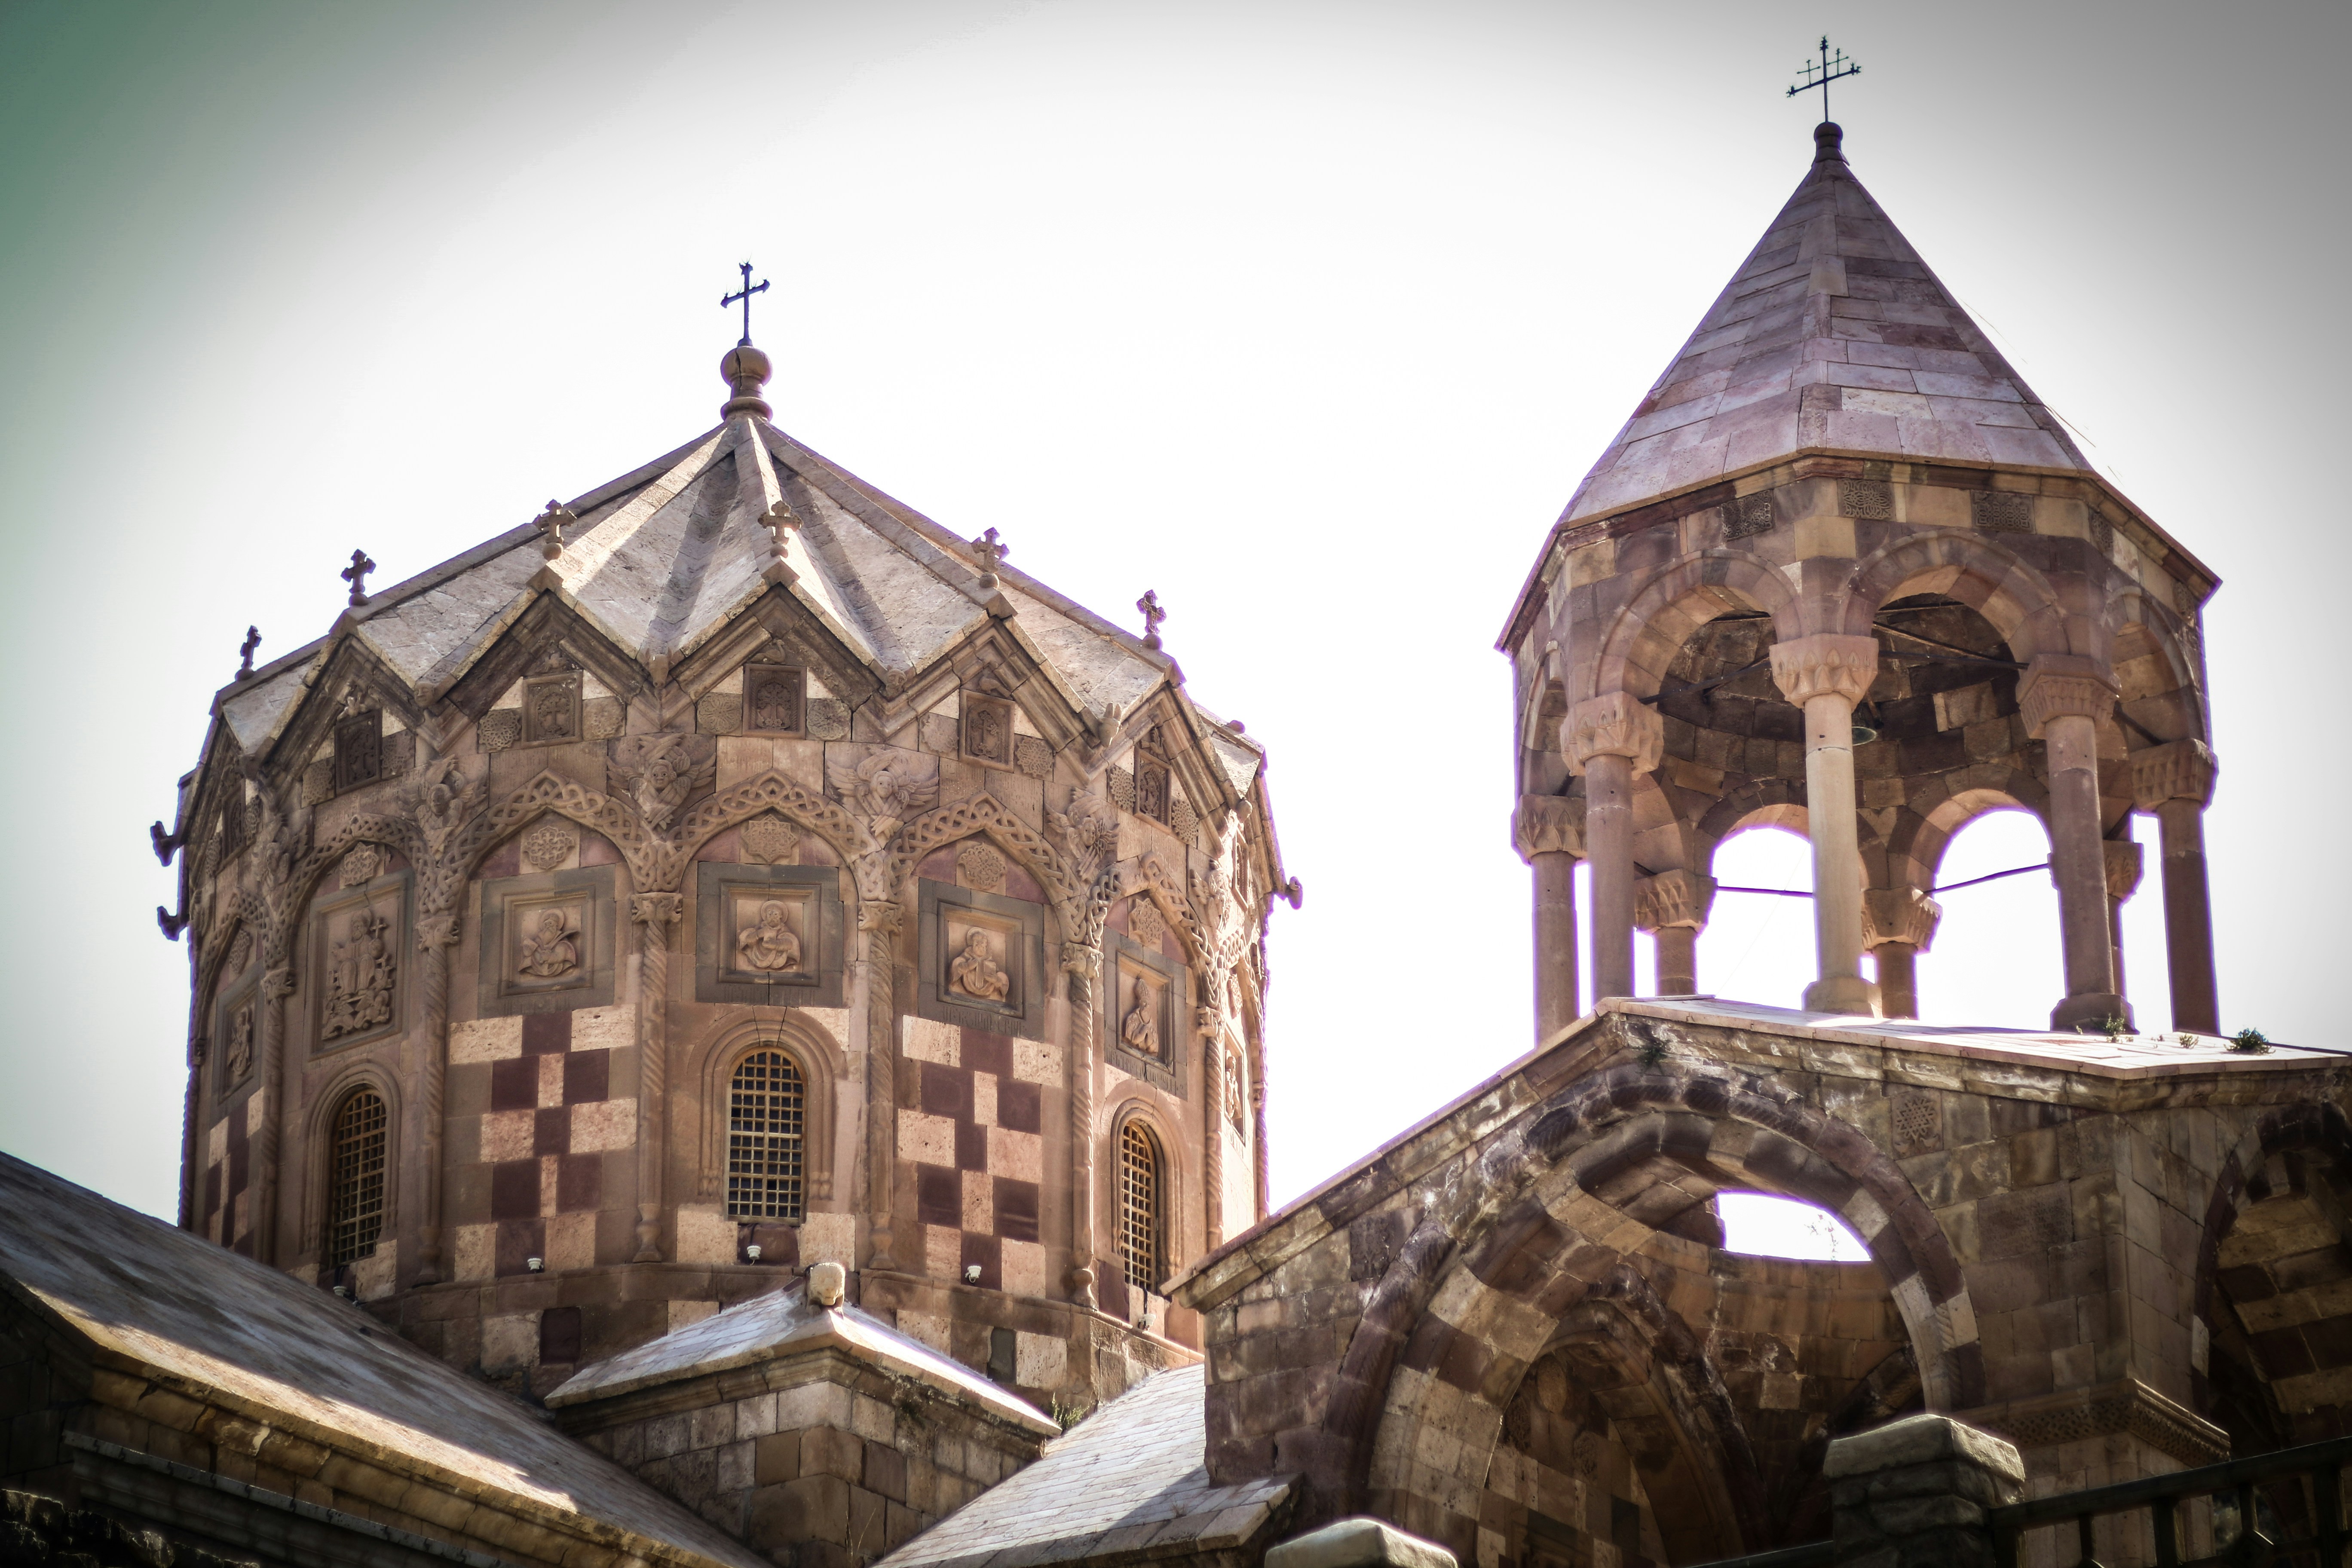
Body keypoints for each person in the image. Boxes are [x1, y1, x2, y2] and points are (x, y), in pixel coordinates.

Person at [737, 900, 803, 971]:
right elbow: (749, 940)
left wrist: (776, 945)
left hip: (778, 960)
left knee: (790, 938)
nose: (773, 917)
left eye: (776, 914)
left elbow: (790, 943)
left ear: (781, 916)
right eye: (770, 914)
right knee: (749, 933)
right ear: (766, 916)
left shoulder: (783, 929)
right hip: (758, 957)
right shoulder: (761, 927)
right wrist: (759, 934)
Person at [949, 928, 1010, 1001]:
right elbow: (956, 967)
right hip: (967, 987)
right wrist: (968, 966)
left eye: (982, 944)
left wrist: (996, 980)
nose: (980, 946)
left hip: (988, 990)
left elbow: (1001, 982)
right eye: (977, 943)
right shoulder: (967, 956)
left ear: (986, 945)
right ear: (972, 944)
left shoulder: (991, 961)